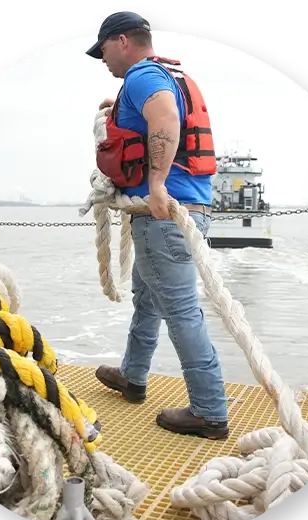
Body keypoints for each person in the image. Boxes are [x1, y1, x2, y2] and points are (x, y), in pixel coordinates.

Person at [86, 11, 229, 439]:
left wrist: (157, 184)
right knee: (148, 300)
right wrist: (120, 112)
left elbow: (164, 117)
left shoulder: (144, 77)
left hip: (164, 214)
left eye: (104, 50)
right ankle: (133, 377)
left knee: (182, 311)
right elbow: (157, 114)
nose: (103, 60)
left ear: (123, 41)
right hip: (184, 210)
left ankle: (209, 410)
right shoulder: (167, 74)